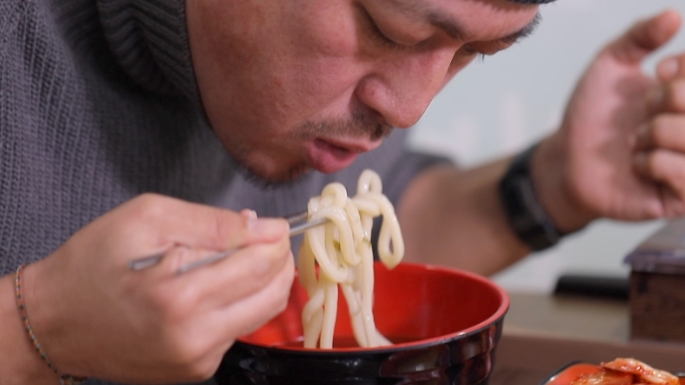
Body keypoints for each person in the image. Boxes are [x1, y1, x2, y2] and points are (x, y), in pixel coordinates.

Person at [0, 0, 683, 383]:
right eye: (391, 30)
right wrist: (38, 327)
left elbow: (380, 239)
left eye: (474, 52)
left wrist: (554, 182)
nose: (410, 107)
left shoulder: (311, 113)